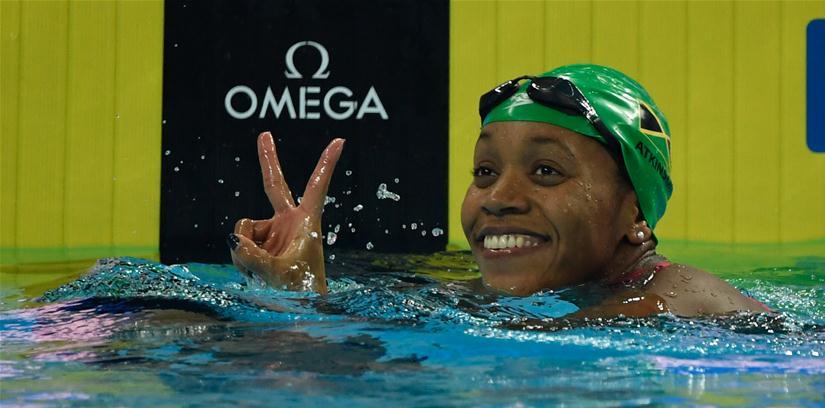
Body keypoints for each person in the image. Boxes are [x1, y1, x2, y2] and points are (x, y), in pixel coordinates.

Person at [227, 64, 771, 318]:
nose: (497, 197)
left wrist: (306, 314)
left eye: (546, 172)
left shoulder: (683, 301)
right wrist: (295, 288)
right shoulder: (485, 294)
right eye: (485, 171)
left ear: (635, 211)